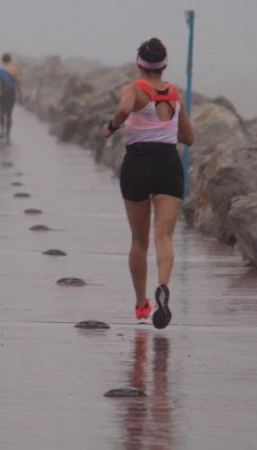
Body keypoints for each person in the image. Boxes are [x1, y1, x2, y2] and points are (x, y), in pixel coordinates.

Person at [102, 38, 194, 329]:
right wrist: (165, 128)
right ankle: (163, 286)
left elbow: (125, 107)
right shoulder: (175, 95)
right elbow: (189, 138)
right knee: (164, 237)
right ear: (164, 64)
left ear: (139, 63)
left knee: (139, 240)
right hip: (168, 163)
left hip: (138, 164)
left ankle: (142, 304)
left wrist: (112, 126)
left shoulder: (134, 89)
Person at [0, 53, 21, 142]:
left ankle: (1, 132)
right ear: (10, 60)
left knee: (1, 113)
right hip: (12, 93)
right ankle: (8, 134)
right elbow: (18, 83)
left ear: (2, 60)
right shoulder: (15, 69)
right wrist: (20, 95)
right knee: (9, 114)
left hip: (3, 94)